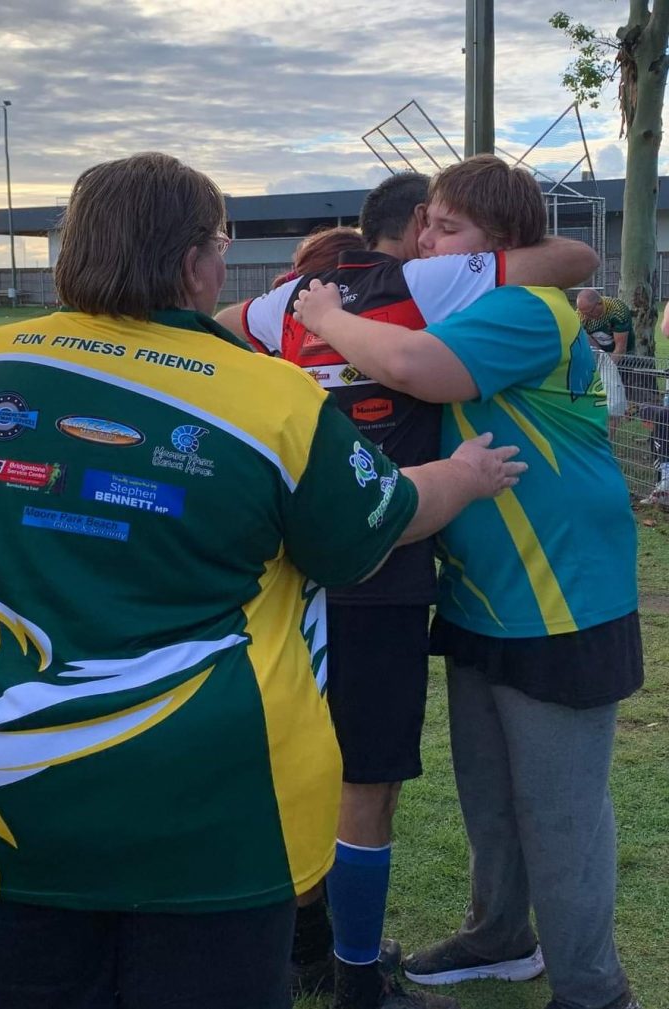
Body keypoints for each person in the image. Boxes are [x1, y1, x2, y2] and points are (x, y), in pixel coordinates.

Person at [0, 151, 526, 1009]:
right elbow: (381, 518)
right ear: (192, 261)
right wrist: (467, 473)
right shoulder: (271, 398)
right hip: (219, 812)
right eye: (219, 241)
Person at [217, 172, 599, 1009]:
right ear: (411, 230)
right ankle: (357, 976)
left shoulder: (288, 299)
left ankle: (305, 947)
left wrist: (294, 341)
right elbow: (571, 255)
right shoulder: (422, 283)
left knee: (293, 758)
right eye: (432, 228)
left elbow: (208, 334)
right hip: (384, 567)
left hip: (293, 571)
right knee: (367, 781)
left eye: (448, 231)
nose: (434, 244)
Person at [576, 288, 640, 406]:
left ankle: (621, 409)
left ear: (599, 303)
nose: (586, 317)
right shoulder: (581, 315)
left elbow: (620, 348)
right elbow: (585, 339)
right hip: (601, 350)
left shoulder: (617, 311)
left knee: (618, 384)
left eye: (589, 312)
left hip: (621, 352)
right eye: (583, 313)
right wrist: (600, 359)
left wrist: (607, 367)